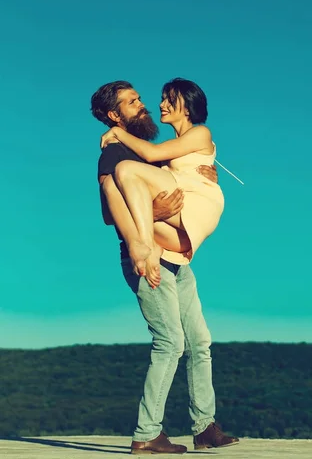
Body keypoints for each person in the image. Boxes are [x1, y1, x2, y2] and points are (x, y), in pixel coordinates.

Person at [91, 80, 239, 455]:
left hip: (176, 259)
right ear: (114, 116)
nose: (144, 105)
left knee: (199, 341)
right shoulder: (116, 152)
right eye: (133, 102)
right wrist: (142, 244)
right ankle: (147, 433)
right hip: (147, 256)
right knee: (170, 342)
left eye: (142, 99)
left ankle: (204, 426)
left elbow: (182, 164)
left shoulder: (149, 152)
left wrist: (200, 176)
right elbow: (110, 209)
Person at [99, 77, 224, 289]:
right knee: (112, 183)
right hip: (177, 239)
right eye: (163, 99)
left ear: (187, 108)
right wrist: (153, 212)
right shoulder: (122, 153)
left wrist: (117, 132)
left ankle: (144, 246)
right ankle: (148, 247)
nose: (160, 104)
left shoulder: (201, 132)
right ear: (113, 114)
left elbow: (151, 153)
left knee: (125, 169)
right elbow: (110, 213)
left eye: (169, 100)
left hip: (196, 205)